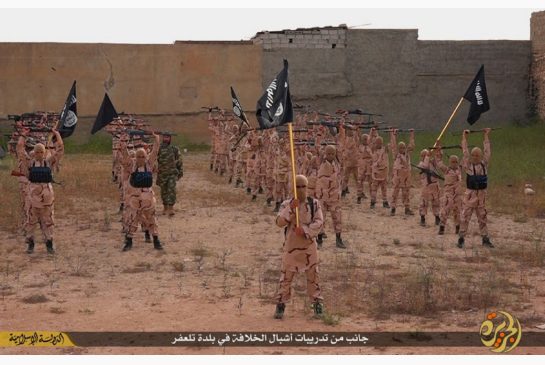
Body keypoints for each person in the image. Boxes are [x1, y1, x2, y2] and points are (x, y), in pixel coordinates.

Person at [274, 174, 324, 319]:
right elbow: (279, 222)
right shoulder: (286, 204)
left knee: (314, 277)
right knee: (286, 278)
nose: (301, 190)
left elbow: (319, 223)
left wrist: (305, 230)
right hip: (291, 247)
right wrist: (290, 209)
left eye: (303, 187)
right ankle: (281, 305)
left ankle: (317, 304)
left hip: (309, 247)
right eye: (298, 187)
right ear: (293, 188)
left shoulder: (314, 204)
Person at [16, 128, 64, 254]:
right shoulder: (29, 164)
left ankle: (49, 243)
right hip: (32, 198)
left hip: (47, 198)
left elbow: (59, 150)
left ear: (44, 152)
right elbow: (20, 150)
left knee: (48, 221)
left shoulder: (48, 163)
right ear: (34, 153)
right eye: (36, 152)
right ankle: (30, 243)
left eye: (41, 152)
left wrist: (57, 134)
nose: (38, 154)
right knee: (30, 221)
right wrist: (23, 135)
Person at [119, 132, 163, 251]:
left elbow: (154, 152)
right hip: (135, 197)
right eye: (139, 157)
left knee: (151, 219)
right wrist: (123, 142)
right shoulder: (132, 165)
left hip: (148, 197)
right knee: (133, 218)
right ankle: (129, 241)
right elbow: (125, 154)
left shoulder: (149, 164)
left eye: (143, 157)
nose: (141, 159)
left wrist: (157, 140)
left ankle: (156, 240)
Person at [457, 128, 494, 248]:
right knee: (465, 217)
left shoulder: (484, 164)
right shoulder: (468, 164)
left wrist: (486, 135)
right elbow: (465, 151)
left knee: (482, 217)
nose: (474, 156)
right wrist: (464, 137)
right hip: (470, 196)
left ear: (480, 156)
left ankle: (485, 239)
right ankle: (461, 239)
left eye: (477, 155)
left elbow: (488, 150)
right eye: (473, 155)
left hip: (481, 196)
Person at [316, 145, 347, 249]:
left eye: (332, 154)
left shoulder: (337, 164)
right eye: (328, 153)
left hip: (334, 197)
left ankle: (338, 239)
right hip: (323, 196)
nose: (330, 155)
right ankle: (319, 240)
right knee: (321, 218)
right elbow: (318, 149)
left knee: (337, 219)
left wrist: (341, 130)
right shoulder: (321, 162)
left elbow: (342, 151)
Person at [435, 144, 462, 235]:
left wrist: (463, 147)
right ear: (449, 162)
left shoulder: (460, 170)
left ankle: (458, 227)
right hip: (448, 194)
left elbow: (466, 159)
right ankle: (442, 227)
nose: (454, 163)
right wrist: (439, 151)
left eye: (456, 162)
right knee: (445, 210)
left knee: (457, 212)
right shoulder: (446, 170)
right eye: (452, 161)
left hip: (457, 195)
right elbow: (439, 162)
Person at [389, 129, 415, 216]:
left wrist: (411, 134)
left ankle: (407, 208)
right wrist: (393, 134)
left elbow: (411, 145)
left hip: (406, 177)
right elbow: (393, 145)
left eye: (403, 147)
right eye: (400, 147)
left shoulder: (407, 154)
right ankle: (393, 208)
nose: (402, 149)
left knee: (406, 193)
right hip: (398, 177)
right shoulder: (396, 154)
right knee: (395, 193)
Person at [156, 134, 183, 216]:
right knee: (163, 191)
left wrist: (180, 171)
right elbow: (154, 159)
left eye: (167, 137)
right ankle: (165, 207)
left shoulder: (174, 149)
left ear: (170, 139)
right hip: (162, 174)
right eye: (164, 137)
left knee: (171, 190)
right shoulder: (158, 149)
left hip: (172, 173)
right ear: (162, 138)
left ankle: (171, 208)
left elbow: (179, 160)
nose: (166, 139)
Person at [417, 149, 441, 227]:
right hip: (426, 186)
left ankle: (437, 217)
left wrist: (438, 149)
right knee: (424, 202)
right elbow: (425, 166)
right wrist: (427, 157)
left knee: (436, 202)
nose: (425, 157)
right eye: (423, 155)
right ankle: (422, 218)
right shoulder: (421, 164)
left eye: (426, 155)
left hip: (434, 186)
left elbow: (438, 159)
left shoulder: (432, 162)